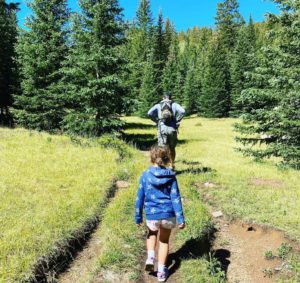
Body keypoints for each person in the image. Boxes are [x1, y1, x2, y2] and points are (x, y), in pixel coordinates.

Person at [135, 145, 185, 282]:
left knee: (151, 234)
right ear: (167, 158)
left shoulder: (145, 175)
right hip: (168, 214)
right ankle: (162, 272)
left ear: (152, 159)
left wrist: (138, 216)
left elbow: (140, 197)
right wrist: (180, 218)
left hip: (152, 215)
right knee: (163, 241)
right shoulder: (171, 176)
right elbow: (175, 197)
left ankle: (151, 256)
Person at [148, 93, 185, 169]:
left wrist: (156, 121)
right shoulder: (174, 104)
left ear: (163, 98)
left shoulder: (159, 105)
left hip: (162, 128)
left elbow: (149, 113)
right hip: (172, 128)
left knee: (162, 148)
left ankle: (162, 166)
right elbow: (182, 111)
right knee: (172, 148)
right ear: (170, 98)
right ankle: (171, 165)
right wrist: (176, 121)